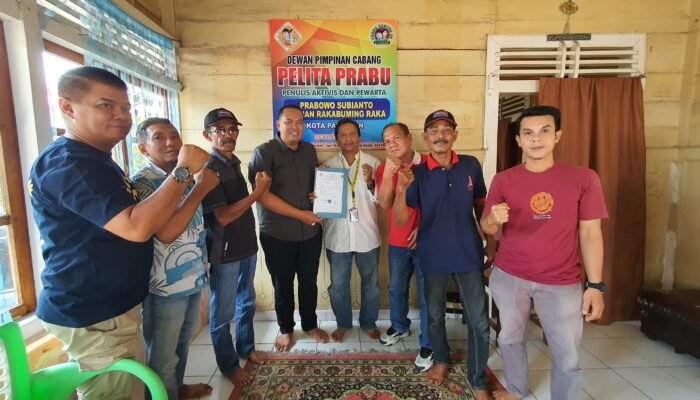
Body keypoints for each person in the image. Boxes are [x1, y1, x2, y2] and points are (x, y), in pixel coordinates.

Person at [29, 66, 210, 399]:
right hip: (93, 313)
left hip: (108, 308)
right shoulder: (70, 163)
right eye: (106, 105)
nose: (121, 116)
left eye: (125, 108)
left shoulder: (94, 159)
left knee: (135, 384)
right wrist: (185, 172)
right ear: (68, 107)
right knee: (121, 390)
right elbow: (139, 227)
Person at [480, 105, 607, 400]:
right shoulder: (504, 180)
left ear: (557, 136)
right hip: (510, 275)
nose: (536, 138)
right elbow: (487, 226)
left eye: (544, 131)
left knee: (567, 351)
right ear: (518, 140)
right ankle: (515, 389)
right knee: (510, 338)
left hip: (561, 280)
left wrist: (596, 286)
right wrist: (493, 219)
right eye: (528, 133)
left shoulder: (583, 178)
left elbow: (591, 233)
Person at [393, 110, 491, 400]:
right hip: (432, 253)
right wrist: (401, 190)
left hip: (468, 253)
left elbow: (481, 204)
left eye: (446, 129)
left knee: (479, 321)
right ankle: (441, 360)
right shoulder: (417, 173)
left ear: (455, 135)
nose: (440, 135)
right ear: (425, 138)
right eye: (434, 131)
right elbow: (400, 220)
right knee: (434, 315)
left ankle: (478, 379)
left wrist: (491, 243)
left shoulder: (471, 165)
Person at [131, 118, 218, 399]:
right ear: (143, 148)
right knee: (162, 356)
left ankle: (177, 390)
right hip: (164, 286)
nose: (170, 142)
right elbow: (167, 233)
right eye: (159, 137)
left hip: (192, 276)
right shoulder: (143, 182)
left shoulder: (186, 176)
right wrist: (200, 189)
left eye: (174, 135)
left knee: (183, 342)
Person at [248, 104, 329, 352]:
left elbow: (312, 184)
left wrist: (321, 193)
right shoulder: (264, 152)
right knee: (282, 285)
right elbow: (262, 195)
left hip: (310, 233)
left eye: (300, 122)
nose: (295, 127)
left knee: (308, 283)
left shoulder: (309, 150)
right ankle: (285, 329)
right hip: (278, 234)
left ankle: (310, 324)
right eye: (289, 122)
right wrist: (300, 215)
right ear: (278, 124)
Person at [200, 108, 271, 385]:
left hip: (246, 247)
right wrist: (258, 193)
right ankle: (229, 366)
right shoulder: (209, 169)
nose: (228, 135)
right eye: (220, 130)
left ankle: (246, 348)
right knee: (222, 313)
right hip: (225, 252)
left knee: (247, 302)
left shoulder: (232, 162)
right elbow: (223, 216)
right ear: (207, 135)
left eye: (232, 129)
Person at [375, 122, 433, 371]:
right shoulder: (384, 168)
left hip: (428, 242)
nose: (392, 144)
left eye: (396, 138)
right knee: (396, 289)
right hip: (398, 242)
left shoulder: (429, 164)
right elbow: (384, 203)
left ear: (409, 139)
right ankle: (399, 326)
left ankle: (428, 342)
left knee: (427, 295)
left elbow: (439, 204)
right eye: (387, 141)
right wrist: (389, 173)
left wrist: (424, 229)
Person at [322, 118, 381, 342]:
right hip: (338, 237)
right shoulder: (327, 167)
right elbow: (323, 204)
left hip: (367, 235)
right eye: (343, 135)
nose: (348, 138)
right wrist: (317, 195)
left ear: (359, 137)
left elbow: (382, 199)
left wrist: (371, 182)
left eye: (352, 134)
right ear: (337, 140)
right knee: (338, 286)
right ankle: (343, 323)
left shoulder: (374, 163)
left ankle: (368, 322)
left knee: (371, 285)